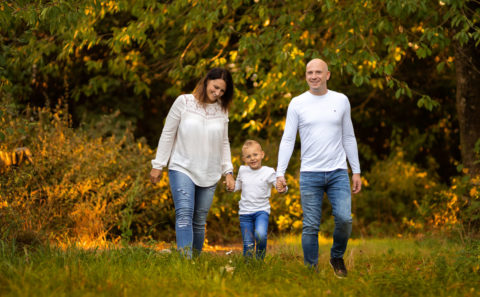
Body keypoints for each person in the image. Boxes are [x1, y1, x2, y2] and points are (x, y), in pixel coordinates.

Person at [276, 58, 362, 278]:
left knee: (344, 219)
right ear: (306, 76)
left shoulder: (341, 100)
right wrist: (280, 172)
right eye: (309, 72)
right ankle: (311, 270)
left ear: (328, 75)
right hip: (309, 174)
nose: (313, 76)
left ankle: (336, 257)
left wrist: (356, 171)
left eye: (318, 72)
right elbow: (287, 140)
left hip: (338, 172)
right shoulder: (297, 103)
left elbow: (349, 136)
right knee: (311, 226)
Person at [150, 68, 236, 258]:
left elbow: (224, 142)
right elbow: (168, 133)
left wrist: (228, 171)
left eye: (222, 91)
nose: (218, 93)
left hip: (209, 171)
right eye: (215, 87)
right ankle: (185, 262)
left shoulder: (222, 109)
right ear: (206, 81)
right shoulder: (184, 102)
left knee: (199, 220)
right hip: (182, 166)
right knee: (184, 213)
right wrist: (158, 164)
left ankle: (195, 263)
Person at [232, 140, 286, 260]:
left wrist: (282, 188)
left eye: (255, 155)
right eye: (248, 156)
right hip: (245, 213)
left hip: (261, 211)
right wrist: (231, 186)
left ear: (262, 154)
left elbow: (277, 185)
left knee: (261, 236)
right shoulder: (242, 170)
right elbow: (237, 186)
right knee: (248, 243)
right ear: (244, 159)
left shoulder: (269, 172)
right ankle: (248, 266)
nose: (252, 158)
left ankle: (259, 260)